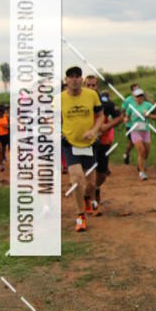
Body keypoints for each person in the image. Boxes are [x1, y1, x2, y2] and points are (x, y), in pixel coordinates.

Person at [61, 66, 104, 232]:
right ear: (66, 81)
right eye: (71, 76)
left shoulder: (91, 95)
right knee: (77, 179)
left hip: (90, 144)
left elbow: (100, 116)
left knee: (91, 183)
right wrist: (59, 132)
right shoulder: (59, 99)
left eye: (77, 76)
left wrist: (93, 130)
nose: (74, 79)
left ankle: (87, 198)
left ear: (82, 79)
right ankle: (80, 216)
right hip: (70, 144)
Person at [122, 87, 156, 180]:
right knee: (141, 150)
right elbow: (127, 116)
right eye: (137, 96)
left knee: (146, 152)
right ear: (134, 97)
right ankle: (142, 172)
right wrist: (126, 119)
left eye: (141, 96)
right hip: (135, 130)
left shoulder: (148, 105)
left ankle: (141, 164)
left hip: (145, 130)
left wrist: (149, 115)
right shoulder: (131, 107)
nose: (140, 98)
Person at [95, 91, 123, 203]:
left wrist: (107, 126)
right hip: (85, 143)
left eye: (93, 85)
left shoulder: (106, 104)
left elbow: (119, 117)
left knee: (101, 175)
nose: (91, 87)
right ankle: (89, 199)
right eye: (88, 85)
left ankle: (95, 188)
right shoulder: (79, 101)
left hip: (103, 142)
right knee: (87, 172)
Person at [121, 82, 139, 165]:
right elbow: (122, 110)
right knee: (132, 142)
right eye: (135, 89)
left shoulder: (141, 99)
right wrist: (124, 118)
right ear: (132, 91)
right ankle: (127, 154)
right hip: (130, 125)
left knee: (139, 143)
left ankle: (141, 162)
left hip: (140, 125)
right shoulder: (128, 100)